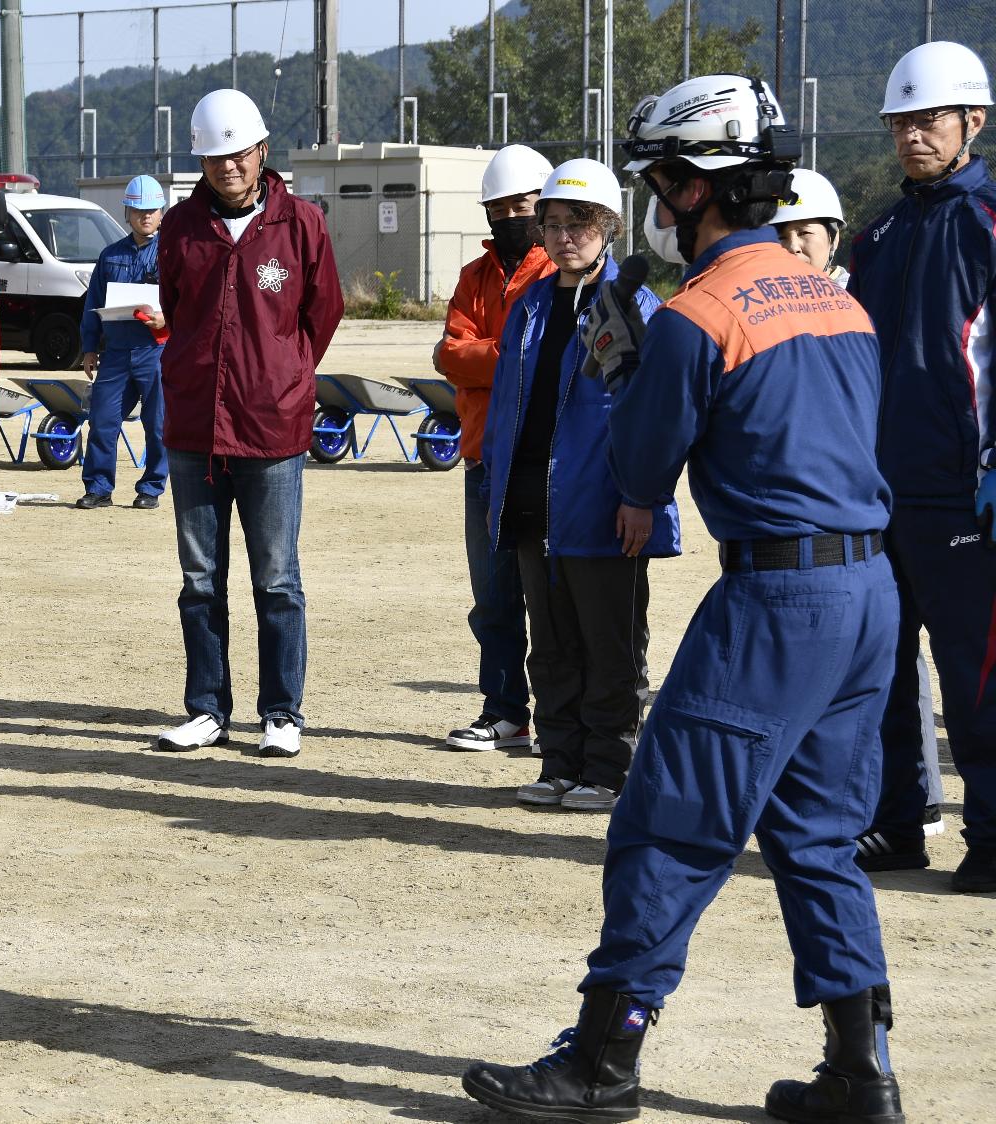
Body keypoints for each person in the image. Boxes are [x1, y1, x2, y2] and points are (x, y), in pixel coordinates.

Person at [463, 74, 906, 1123]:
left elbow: (637, 471)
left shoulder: (693, 314)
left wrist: (618, 374)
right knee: (815, 838)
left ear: (691, 186)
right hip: (866, 591)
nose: (656, 206)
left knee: (664, 823)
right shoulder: (834, 294)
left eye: (661, 183)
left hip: (775, 600)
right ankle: (859, 1066)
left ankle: (601, 1059)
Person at [151, 88, 342, 759]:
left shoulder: (302, 225)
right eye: (214, 156)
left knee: (277, 580)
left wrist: (282, 374)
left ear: (262, 151)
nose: (227, 166)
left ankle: (281, 713)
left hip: (272, 431)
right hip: (195, 429)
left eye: (239, 153)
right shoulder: (178, 227)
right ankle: (207, 709)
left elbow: (324, 311)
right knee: (199, 580)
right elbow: (174, 308)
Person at [480, 160, 676, 813]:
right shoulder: (530, 304)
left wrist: (642, 500)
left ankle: (610, 767)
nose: (566, 236)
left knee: (610, 646)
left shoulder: (634, 305)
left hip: (603, 506)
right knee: (552, 645)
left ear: (610, 227)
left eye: (581, 223)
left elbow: (652, 419)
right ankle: (559, 761)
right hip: (537, 503)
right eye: (555, 224)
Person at [847, 40, 996, 892]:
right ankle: (895, 825)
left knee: (977, 671)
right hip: (878, 493)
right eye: (901, 121)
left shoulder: (989, 225)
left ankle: (994, 836)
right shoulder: (879, 236)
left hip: (964, 492)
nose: (913, 134)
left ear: (972, 120)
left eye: (929, 118)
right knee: (880, 668)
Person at [776, 169, 951, 841]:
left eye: (806, 233)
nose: (795, 247)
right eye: (782, 233)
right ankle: (890, 806)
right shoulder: (778, 311)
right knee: (876, 658)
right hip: (837, 503)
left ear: (834, 238)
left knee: (913, 657)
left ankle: (924, 798)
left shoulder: (856, 302)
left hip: (898, 492)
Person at [436, 144, 557, 753]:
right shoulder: (474, 276)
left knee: (551, 596)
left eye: (521, 204)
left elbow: (545, 364)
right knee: (493, 600)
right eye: (499, 206)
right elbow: (447, 354)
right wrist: (508, 357)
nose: (510, 215)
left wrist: (487, 356)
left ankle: (560, 719)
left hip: (541, 463)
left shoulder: (557, 270)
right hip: (483, 459)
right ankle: (506, 711)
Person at [74, 174, 170, 510]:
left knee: (157, 424)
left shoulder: (174, 254)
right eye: (139, 210)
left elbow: (191, 300)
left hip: (156, 352)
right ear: (127, 212)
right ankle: (99, 488)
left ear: (162, 212)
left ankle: (151, 488)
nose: (146, 216)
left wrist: (168, 319)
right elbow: (92, 303)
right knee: (102, 419)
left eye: (152, 210)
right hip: (115, 353)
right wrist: (89, 347)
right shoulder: (110, 256)